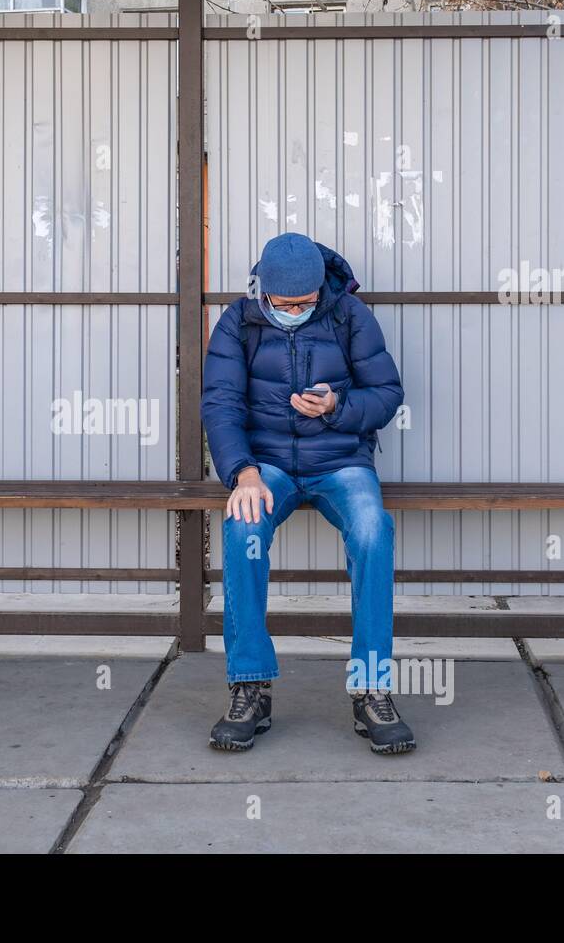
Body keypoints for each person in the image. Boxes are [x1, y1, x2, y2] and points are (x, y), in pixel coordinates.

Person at [200, 232, 415, 755]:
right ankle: (249, 684)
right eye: (286, 304)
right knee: (242, 526)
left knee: (372, 529)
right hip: (266, 465)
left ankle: (372, 688)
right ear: (264, 291)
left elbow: (387, 394)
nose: (297, 311)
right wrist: (241, 473)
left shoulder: (349, 314)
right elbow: (220, 403)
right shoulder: (238, 321)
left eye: (306, 302)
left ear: (322, 288)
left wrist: (337, 409)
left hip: (340, 462)